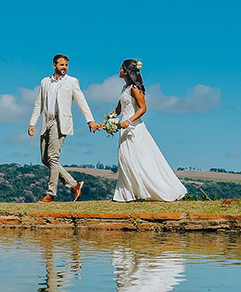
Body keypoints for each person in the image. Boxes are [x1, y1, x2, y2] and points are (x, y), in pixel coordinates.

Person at [109, 59, 187, 202]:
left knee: (137, 159)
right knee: (125, 158)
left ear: (126, 71)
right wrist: (107, 121)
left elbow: (143, 108)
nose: (119, 70)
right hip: (123, 128)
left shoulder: (134, 88)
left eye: (121, 68)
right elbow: (119, 109)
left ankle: (147, 191)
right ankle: (127, 194)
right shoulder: (124, 88)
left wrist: (129, 121)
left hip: (134, 128)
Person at [28, 54, 99, 202]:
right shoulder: (44, 82)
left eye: (66, 65)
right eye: (61, 65)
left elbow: (82, 101)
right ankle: (74, 185)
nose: (64, 68)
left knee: (53, 157)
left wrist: (90, 120)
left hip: (60, 123)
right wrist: (32, 123)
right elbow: (38, 104)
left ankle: (50, 194)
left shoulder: (72, 82)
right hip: (46, 122)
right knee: (45, 159)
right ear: (54, 65)